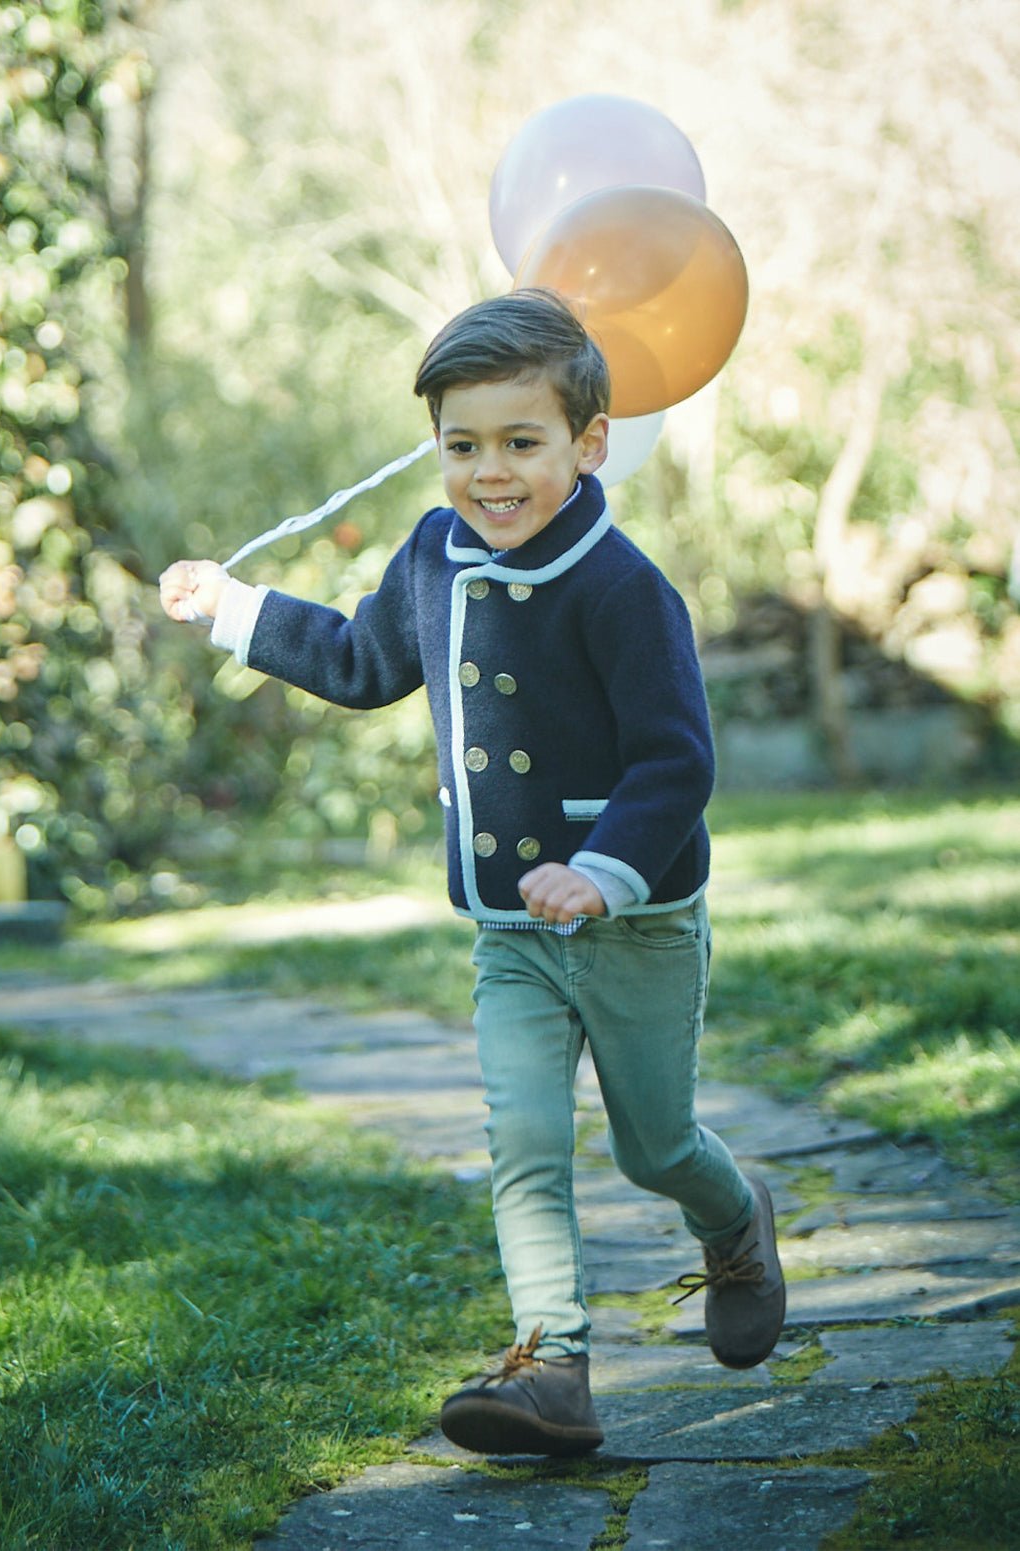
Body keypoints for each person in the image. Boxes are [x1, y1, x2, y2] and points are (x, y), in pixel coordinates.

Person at [159, 287, 785, 1458]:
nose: (489, 474)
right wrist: (234, 609)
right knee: (523, 1139)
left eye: (520, 443)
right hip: (508, 935)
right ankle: (551, 1365)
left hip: (633, 925)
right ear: (433, 444)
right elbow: (357, 658)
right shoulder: (433, 556)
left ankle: (736, 1220)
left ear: (586, 444)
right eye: (462, 446)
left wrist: (604, 868)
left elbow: (675, 760)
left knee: (651, 1147)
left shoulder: (621, 587)